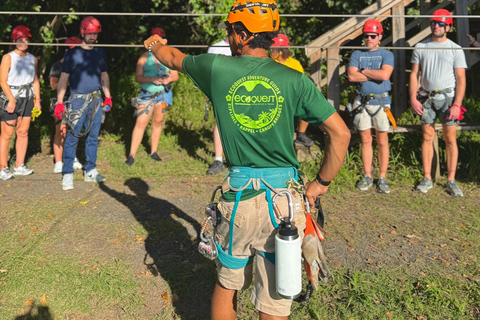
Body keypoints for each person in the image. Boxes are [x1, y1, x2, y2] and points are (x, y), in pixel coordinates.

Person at [144, 0, 351, 319]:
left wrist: (155, 43)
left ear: (243, 35)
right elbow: (340, 134)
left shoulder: (215, 68)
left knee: (228, 284)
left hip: (239, 197)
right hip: (283, 202)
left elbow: (172, 57)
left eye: (229, 30)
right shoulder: (293, 79)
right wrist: (320, 184)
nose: (227, 36)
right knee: (274, 297)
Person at [409, 9, 467, 197]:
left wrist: (457, 104)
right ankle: (427, 178)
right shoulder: (421, 47)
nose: (436, 26)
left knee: (450, 138)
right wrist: (412, 99)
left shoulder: (455, 49)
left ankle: (451, 180)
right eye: (434, 22)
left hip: (448, 99)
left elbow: (461, 78)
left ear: (448, 27)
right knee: (427, 136)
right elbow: (414, 74)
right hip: (427, 99)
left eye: (440, 24)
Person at [54, 16, 112, 190]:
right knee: (73, 136)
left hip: (96, 99)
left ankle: (90, 170)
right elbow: (63, 79)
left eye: (95, 34)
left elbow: (104, 75)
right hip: (77, 100)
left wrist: (107, 96)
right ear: (83, 32)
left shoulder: (100, 52)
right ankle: (68, 173)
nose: (93, 37)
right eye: (90, 34)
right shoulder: (72, 53)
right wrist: (59, 102)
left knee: (93, 136)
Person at [347, 19, 394, 194]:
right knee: (366, 140)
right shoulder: (357, 54)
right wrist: (372, 74)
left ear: (380, 36)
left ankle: (382, 177)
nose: (369, 39)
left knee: (382, 140)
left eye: (373, 36)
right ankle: (367, 175)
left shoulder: (386, 54)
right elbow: (351, 77)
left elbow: (385, 74)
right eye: (366, 36)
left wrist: (363, 71)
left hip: (381, 103)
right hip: (362, 103)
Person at [125, 27, 178, 166]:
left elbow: (175, 76)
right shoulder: (144, 57)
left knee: (158, 122)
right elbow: (138, 77)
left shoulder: (168, 57)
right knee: (140, 122)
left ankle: (154, 151)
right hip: (147, 94)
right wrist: (151, 79)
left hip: (163, 95)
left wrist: (168, 79)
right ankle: (131, 155)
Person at [0, 25, 41, 180]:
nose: (23, 42)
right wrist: (11, 99)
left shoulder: (32, 58)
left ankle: (19, 165)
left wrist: (37, 100)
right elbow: (2, 81)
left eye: (26, 39)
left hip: (27, 97)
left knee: (23, 132)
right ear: (14, 40)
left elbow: (35, 80)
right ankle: (3, 168)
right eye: (20, 40)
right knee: (7, 133)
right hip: (11, 96)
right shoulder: (8, 57)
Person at [269, 33, 314, 148]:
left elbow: (301, 82)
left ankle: (301, 134)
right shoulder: (269, 63)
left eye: (272, 50)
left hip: (292, 96)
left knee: (306, 103)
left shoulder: (294, 63)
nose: (270, 52)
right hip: (274, 96)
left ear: (280, 51)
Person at [49, 36, 84, 173]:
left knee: (73, 131)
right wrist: (69, 82)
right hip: (61, 101)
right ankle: (58, 162)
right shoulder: (57, 65)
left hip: (76, 100)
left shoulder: (81, 66)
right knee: (60, 130)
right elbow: (53, 85)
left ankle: (72, 157)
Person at [206, 33, 231, 175]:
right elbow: (207, 71)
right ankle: (218, 160)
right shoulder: (215, 48)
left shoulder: (243, 48)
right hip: (220, 90)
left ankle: (237, 158)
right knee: (219, 123)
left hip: (240, 91)